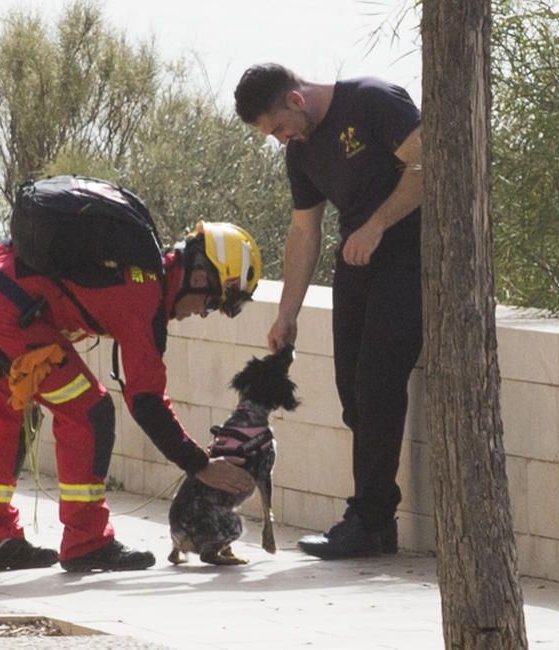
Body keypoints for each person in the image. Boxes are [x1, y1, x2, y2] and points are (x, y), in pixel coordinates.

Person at [0, 213, 262, 573]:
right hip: (3, 303)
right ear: (200, 276)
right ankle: (87, 541)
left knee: (6, 415)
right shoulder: (144, 297)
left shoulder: (139, 267)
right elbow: (146, 401)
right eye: (213, 302)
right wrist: (200, 465)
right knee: (89, 411)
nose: (205, 314)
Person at [234, 63, 423, 560]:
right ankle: (376, 522)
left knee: (379, 385)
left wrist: (378, 225)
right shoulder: (301, 151)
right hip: (358, 263)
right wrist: (287, 313)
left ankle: (369, 518)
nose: (278, 140)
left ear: (295, 100)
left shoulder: (372, 100)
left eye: (277, 128)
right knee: (353, 394)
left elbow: (431, 168)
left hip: (409, 257)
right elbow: (303, 232)